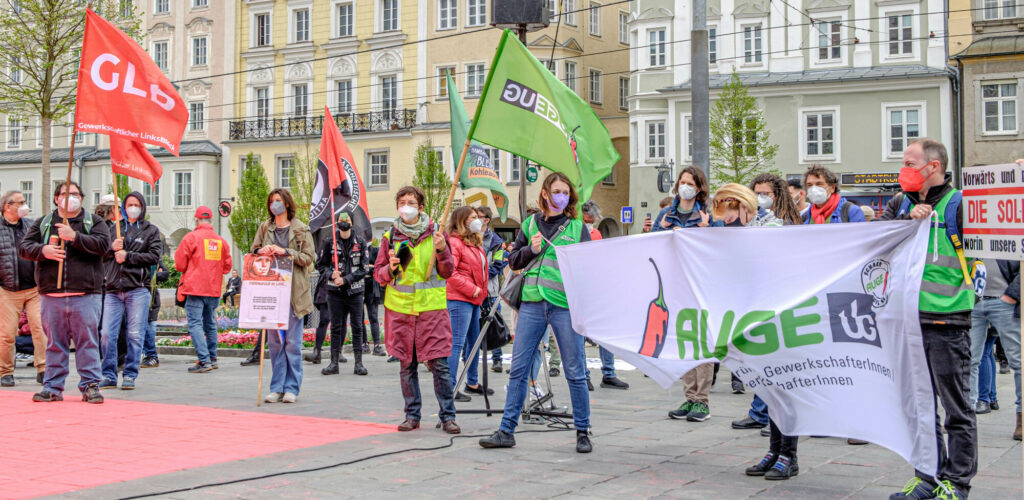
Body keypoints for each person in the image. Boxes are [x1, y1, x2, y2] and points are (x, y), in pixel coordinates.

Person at [879, 138, 976, 500]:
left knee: (956, 410)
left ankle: (958, 484)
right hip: (907, 321)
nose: (903, 169)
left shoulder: (959, 205)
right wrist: (907, 220)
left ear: (932, 166)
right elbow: (877, 241)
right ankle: (927, 477)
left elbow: (986, 248)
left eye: (909, 162)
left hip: (948, 321)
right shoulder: (898, 203)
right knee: (919, 407)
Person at [479, 172, 593, 453]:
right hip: (531, 302)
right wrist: (531, 248)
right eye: (556, 191)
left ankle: (583, 431)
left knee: (575, 370)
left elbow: (590, 268)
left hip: (564, 305)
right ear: (545, 193)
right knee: (518, 369)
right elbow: (514, 259)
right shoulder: (530, 224)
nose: (561, 196)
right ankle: (506, 430)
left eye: (565, 192)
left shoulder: (578, 228)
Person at [373, 186, 460, 434]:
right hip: (401, 311)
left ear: (421, 207)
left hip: (431, 311)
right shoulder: (390, 236)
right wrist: (390, 269)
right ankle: (412, 415)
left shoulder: (437, 235)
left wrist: (442, 250)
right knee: (406, 365)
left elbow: (448, 271)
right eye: (402, 202)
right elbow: (379, 275)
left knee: (439, 366)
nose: (406, 206)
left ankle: (448, 416)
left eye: (411, 202)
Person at [19, 181, 111, 403]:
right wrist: (43, 251)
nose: (71, 197)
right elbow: (24, 247)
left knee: (87, 341)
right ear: (56, 198)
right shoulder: (44, 223)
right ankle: (52, 386)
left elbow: (103, 246)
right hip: (52, 294)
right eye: (65, 193)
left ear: (82, 197)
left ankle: (90, 385)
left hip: (85, 294)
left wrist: (75, 237)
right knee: (54, 343)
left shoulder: (94, 222)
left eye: (75, 194)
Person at [653, 166, 716, 423]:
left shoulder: (707, 214)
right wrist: (661, 230)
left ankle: (702, 401)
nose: (684, 186)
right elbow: (652, 245)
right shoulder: (666, 213)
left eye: (690, 182)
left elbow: (718, 246)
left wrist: (705, 230)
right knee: (685, 341)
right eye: (682, 182)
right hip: (676, 284)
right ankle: (689, 397)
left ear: (699, 187)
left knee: (703, 342)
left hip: (701, 285)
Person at [252, 189, 315, 403]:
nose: (274, 205)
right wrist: (263, 251)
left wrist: (286, 252)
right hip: (270, 290)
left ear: (286, 204)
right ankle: (276, 386)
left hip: (293, 293)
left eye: (278, 201)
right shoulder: (265, 227)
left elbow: (308, 257)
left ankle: (292, 388)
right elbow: (254, 251)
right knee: (275, 343)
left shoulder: (300, 229)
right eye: (271, 201)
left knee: (292, 344)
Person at [98, 192, 161, 391]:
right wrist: (110, 248)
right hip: (113, 289)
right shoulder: (113, 229)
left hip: (137, 289)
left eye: (136, 204)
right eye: (129, 204)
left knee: (135, 334)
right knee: (107, 333)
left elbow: (154, 257)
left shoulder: (150, 230)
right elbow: (100, 256)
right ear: (123, 208)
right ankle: (108, 374)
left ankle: (130, 374)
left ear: (142, 207)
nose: (133, 208)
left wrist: (129, 256)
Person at [174, 206, 232, 373]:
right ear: (211, 220)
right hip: (213, 288)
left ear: (196, 219)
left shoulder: (191, 238)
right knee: (210, 324)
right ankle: (212, 358)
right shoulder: (221, 241)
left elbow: (179, 264)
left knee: (195, 324)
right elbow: (227, 267)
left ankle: (204, 361)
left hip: (194, 288)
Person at [968, 258, 1020, 439]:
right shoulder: (967, 232)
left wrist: (1011, 295)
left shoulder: (1009, 231)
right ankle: (966, 415)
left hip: (1003, 300)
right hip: (973, 300)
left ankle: (1021, 417)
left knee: (1018, 361)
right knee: (969, 359)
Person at [580, 200, 629, 390]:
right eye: (589, 218)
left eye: (593, 219)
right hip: (581, 287)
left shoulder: (596, 233)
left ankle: (609, 373)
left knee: (605, 332)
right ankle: (583, 375)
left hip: (597, 287)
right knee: (581, 333)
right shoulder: (575, 230)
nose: (592, 221)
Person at [445, 206, 491, 402]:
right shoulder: (454, 243)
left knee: (474, 343)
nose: (478, 220)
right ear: (462, 220)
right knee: (457, 343)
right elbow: (450, 273)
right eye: (473, 217)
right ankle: (450, 387)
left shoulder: (473, 243)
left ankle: (472, 381)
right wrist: (472, 289)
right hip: (459, 299)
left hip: (474, 299)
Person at [0, 190, 46, 387]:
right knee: (7, 334)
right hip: (7, 289)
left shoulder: (31, 225)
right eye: (19, 202)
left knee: (40, 329)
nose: (24, 205)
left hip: (34, 288)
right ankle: (5, 372)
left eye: (24, 201)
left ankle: (44, 369)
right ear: (7, 206)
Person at [315, 211, 369, 377]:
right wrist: (331, 274)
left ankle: (359, 363)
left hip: (355, 291)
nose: (343, 222)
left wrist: (346, 279)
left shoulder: (360, 242)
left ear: (352, 223)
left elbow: (364, 268)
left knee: (357, 327)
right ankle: (333, 363)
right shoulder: (329, 242)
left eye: (346, 220)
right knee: (336, 327)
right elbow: (320, 265)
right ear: (336, 223)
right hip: (335, 292)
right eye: (340, 220)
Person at [475, 206, 507, 374]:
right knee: (473, 324)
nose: (475, 219)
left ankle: (497, 359)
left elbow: (498, 264)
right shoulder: (471, 237)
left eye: (478, 217)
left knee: (494, 323)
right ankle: (470, 359)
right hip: (472, 290)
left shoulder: (496, 241)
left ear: (486, 219)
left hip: (490, 290)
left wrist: (481, 276)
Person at [140, 259, 169, 369]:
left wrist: (151, 276)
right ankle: (146, 353)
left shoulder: (155, 260)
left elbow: (165, 274)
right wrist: (154, 275)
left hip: (152, 301)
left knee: (150, 326)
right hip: (143, 296)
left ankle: (149, 354)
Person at [364, 237, 385, 356]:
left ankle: (377, 345)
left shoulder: (375, 250)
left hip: (372, 287)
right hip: (359, 285)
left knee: (373, 316)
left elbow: (378, 267)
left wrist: (367, 268)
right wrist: (369, 267)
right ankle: (364, 344)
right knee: (359, 318)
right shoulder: (356, 250)